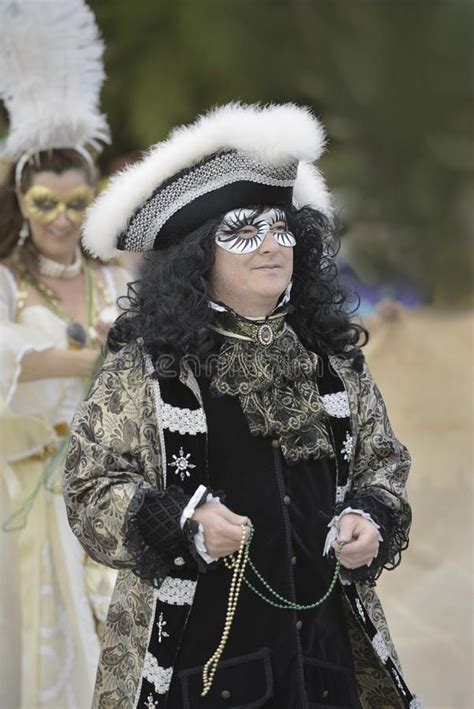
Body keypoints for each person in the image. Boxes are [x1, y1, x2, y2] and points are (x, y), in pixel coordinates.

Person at [64, 103, 421, 708]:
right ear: (199, 253)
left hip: (326, 661)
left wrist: (371, 520)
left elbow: (381, 465)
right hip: (197, 663)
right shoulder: (148, 365)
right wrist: (181, 522)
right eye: (242, 228)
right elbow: (89, 485)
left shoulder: (334, 359)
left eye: (281, 227)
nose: (270, 244)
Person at [0, 2, 129, 706]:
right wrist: (81, 362)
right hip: (33, 501)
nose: (60, 220)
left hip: (129, 496)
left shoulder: (121, 279)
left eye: (76, 202)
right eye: (44, 203)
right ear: (20, 201)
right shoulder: (5, 285)